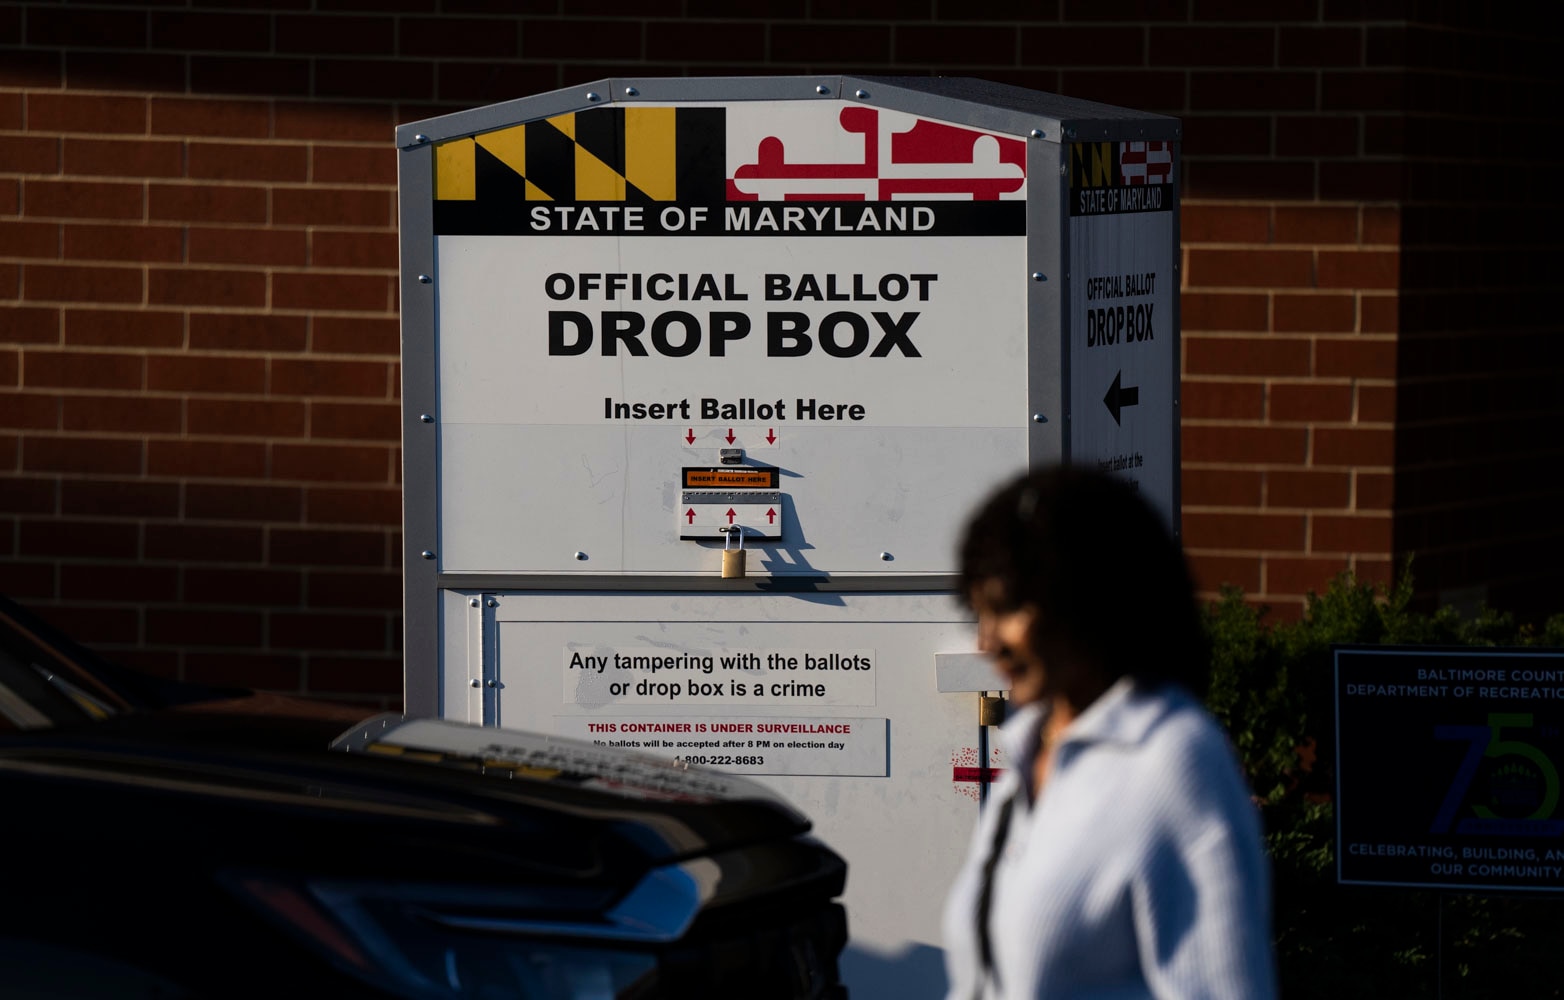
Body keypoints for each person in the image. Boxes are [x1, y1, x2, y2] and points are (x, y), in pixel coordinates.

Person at [941, 466, 1277, 999]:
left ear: (1087, 598)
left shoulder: (1173, 760)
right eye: (978, 615)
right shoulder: (1027, 750)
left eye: (1006, 611)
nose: (987, 643)